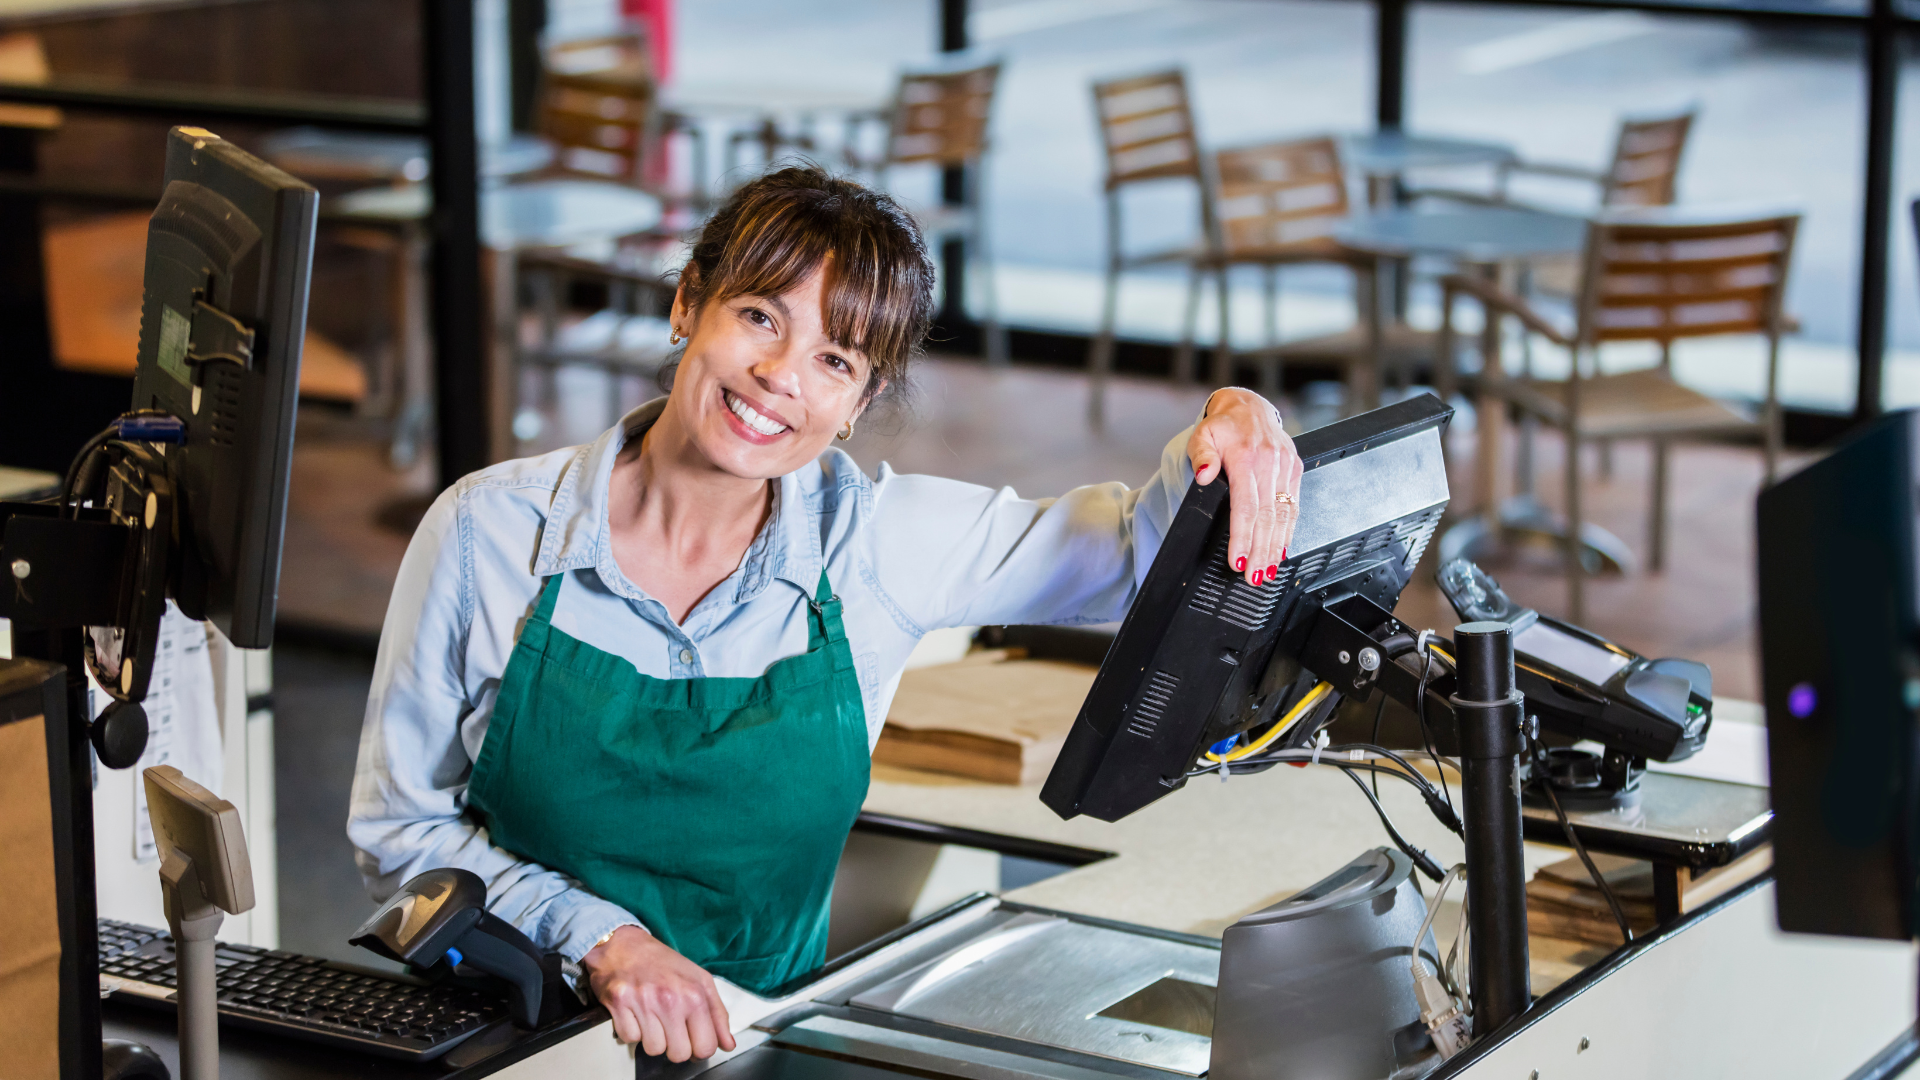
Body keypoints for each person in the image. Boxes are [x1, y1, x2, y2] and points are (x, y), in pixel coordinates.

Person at [348, 166, 1303, 1062]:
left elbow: (1143, 562)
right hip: (505, 1038)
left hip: (754, 1041)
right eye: (760, 316)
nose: (781, 376)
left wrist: (1238, 417)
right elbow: (401, 833)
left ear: (861, 398)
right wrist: (602, 939)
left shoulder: (879, 546)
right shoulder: (490, 530)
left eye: (834, 358)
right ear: (688, 304)